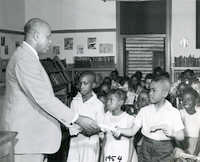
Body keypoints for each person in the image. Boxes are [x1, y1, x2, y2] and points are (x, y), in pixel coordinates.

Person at [2, 18, 100, 162]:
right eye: (48, 36)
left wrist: (69, 123)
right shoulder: (25, 59)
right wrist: (77, 118)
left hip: (32, 138)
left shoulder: (28, 57)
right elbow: (44, 99)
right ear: (36, 36)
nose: (50, 41)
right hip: (26, 140)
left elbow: (38, 100)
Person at [114, 76, 184, 162]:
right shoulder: (144, 110)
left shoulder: (173, 112)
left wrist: (172, 133)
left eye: (154, 90)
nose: (150, 93)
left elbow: (181, 136)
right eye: (150, 90)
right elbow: (132, 131)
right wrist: (120, 130)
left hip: (165, 150)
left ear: (165, 94)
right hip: (146, 148)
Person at [67, 71, 105, 162]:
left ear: (94, 85)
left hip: (90, 143)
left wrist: (90, 131)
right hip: (75, 141)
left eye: (85, 83)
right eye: (80, 83)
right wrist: (75, 129)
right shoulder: (74, 101)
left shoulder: (98, 104)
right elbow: (70, 122)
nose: (81, 86)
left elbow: (101, 126)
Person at [101, 89, 138, 162]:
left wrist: (129, 160)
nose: (108, 102)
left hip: (124, 154)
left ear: (121, 102)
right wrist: (102, 157)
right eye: (107, 100)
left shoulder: (128, 118)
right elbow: (106, 138)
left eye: (111, 100)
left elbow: (131, 142)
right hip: (110, 152)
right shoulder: (106, 116)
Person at [174, 87, 200, 161]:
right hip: (182, 146)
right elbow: (177, 137)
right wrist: (185, 152)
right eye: (183, 100)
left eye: (189, 99)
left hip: (197, 147)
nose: (185, 102)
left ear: (196, 100)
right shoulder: (179, 113)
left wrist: (194, 155)